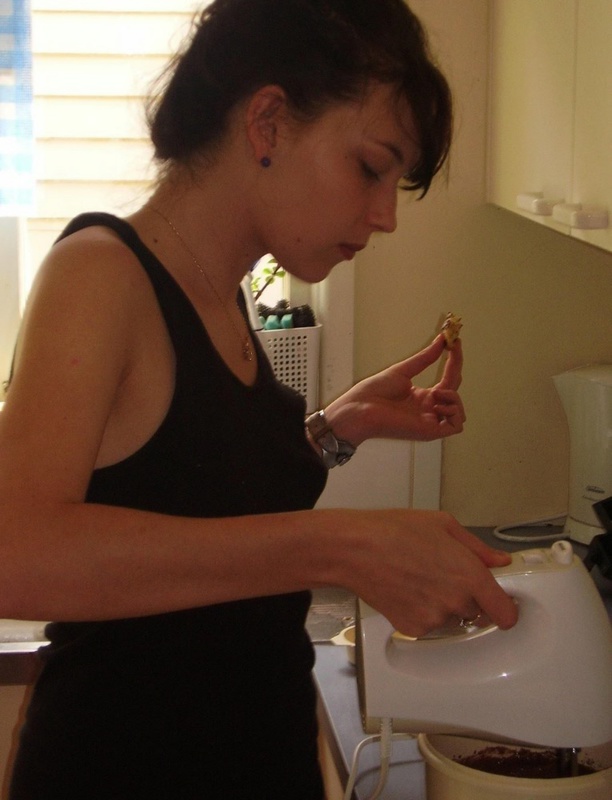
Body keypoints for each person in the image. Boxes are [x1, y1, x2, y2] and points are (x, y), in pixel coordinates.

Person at [0, 1, 518, 797]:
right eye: (371, 167)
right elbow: (17, 554)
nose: (385, 216)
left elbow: (184, 487)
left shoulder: (222, 293)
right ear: (268, 122)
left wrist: (339, 427)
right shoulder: (101, 274)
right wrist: (341, 547)